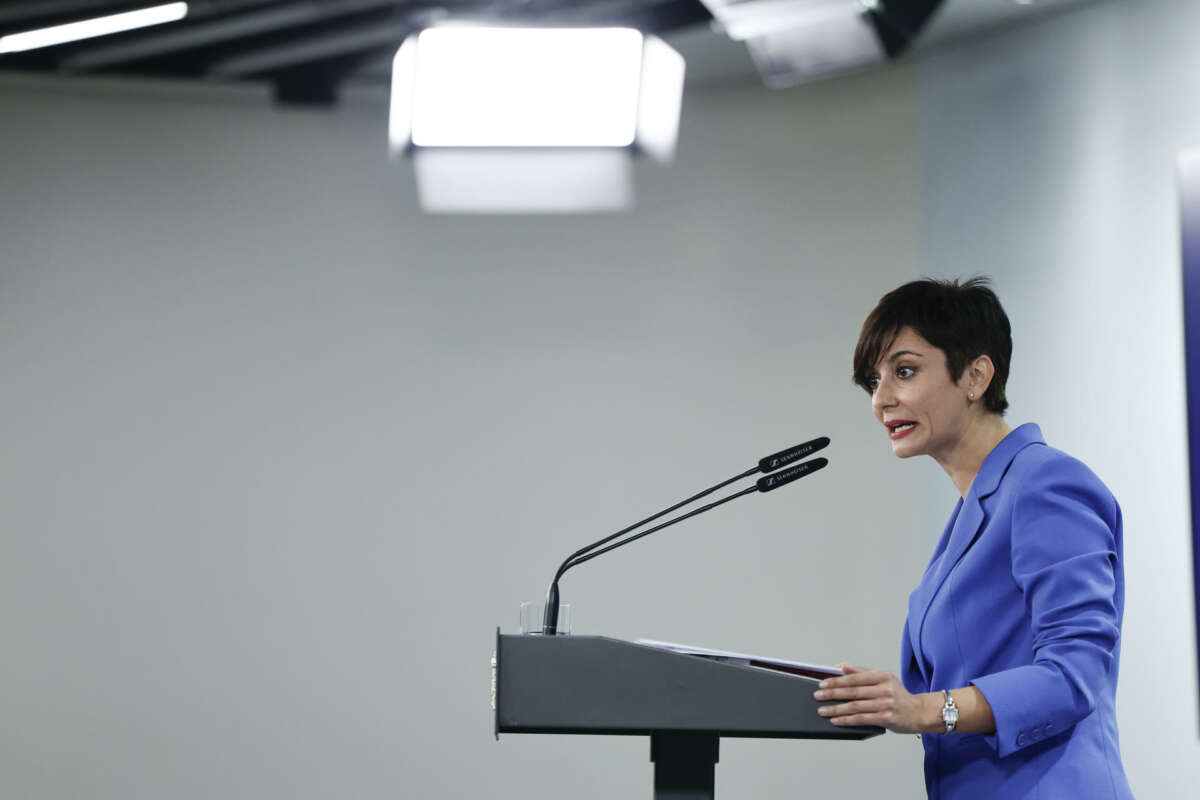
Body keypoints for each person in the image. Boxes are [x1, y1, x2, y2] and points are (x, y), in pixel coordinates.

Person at [813, 277, 1134, 798]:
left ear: (976, 375)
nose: (881, 400)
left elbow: (1075, 676)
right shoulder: (975, 510)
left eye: (905, 371)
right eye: (873, 381)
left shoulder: (1045, 485)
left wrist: (920, 709)